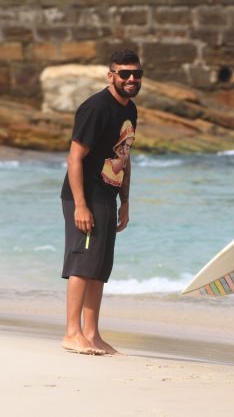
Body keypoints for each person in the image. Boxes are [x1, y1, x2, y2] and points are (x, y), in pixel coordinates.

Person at [60, 49, 142, 355]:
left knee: (99, 266)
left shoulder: (130, 109)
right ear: (111, 76)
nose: (132, 79)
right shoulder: (95, 108)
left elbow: (125, 156)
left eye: (136, 74)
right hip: (85, 195)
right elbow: (74, 158)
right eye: (125, 74)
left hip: (108, 195)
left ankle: (92, 334)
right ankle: (72, 333)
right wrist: (81, 205)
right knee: (82, 263)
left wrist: (126, 201)